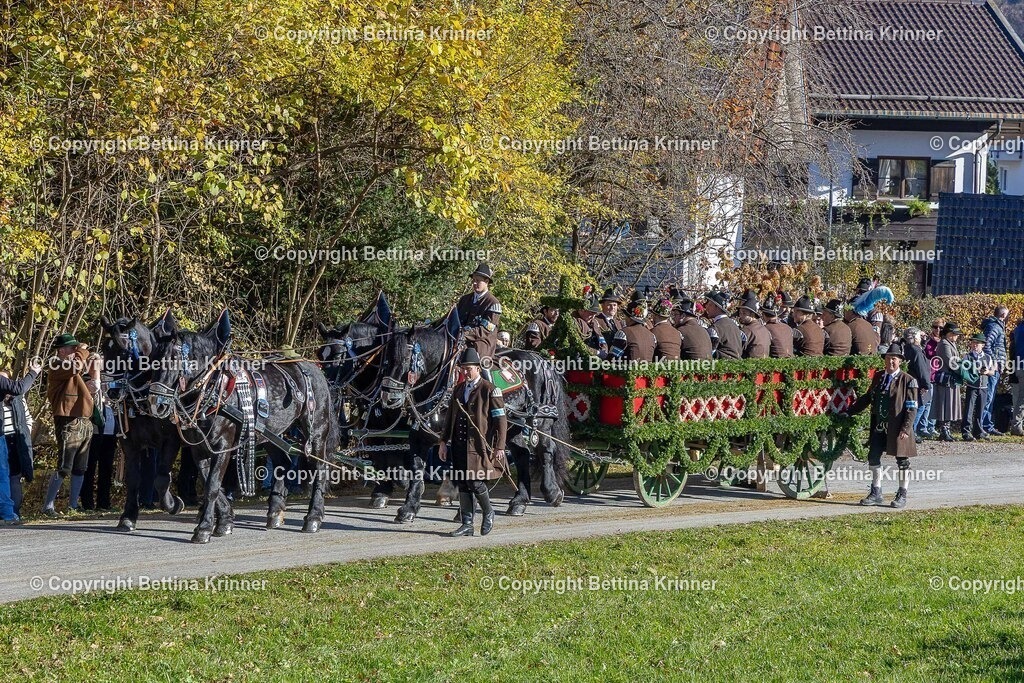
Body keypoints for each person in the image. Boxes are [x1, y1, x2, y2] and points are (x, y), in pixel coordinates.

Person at [438, 349, 506, 537]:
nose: (466, 372)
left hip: (478, 446)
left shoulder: (490, 389)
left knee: (476, 482)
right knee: (462, 483)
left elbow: (501, 420)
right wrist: (443, 441)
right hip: (459, 446)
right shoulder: (458, 389)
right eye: (463, 369)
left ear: (477, 368)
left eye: (469, 369)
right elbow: (450, 417)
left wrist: (499, 446)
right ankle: (467, 523)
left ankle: (488, 511)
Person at [844, 341, 918, 509]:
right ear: (884, 360)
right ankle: (876, 492)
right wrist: (850, 411)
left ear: (900, 361)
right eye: (888, 359)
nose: (891, 362)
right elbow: (868, 397)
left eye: (894, 359)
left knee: (902, 461)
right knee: (873, 457)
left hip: (899, 427)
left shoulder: (908, 381)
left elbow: (912, 407)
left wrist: (906, 429)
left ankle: (902, 493)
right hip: (879, 425)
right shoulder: (879, 377)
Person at [44, 335, 101, 515]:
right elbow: (75, 366)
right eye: (72, 349)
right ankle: (48, 506)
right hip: (67, 420)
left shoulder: (73, 370)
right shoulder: (56, 365)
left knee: (80, 467)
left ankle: (73, 506)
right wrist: (83, 352)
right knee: (64, 466)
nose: (76, 351)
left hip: (83, 420)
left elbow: (86, 385)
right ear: (61, 351)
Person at [0, 358, 42, 524]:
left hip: (11, 438)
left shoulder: (16, 402)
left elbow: (26, 419)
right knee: (3, 476)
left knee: (11, 476)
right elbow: (19, 388)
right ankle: (8, 514)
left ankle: (11, 512)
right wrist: (33, 373)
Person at [455, 262, 502, 361]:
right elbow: (454, 318)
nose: (474, 283)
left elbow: (485, 330)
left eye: (478, 281)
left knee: (476, 361)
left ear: (486, 281)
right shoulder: (464, 299)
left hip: (481, 343)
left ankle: (486, 375)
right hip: (459, 339)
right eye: (473, 280)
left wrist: (465, 333)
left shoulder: (493, 304)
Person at [82, 399, 117, 511]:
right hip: (95, 433)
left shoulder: (114, 392)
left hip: (111, 434)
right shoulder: (94, 385)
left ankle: (103, 503)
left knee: (106, 469)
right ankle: (87, 503)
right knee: (89, 468)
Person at [931, 322, 964, 442]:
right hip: (946, 378)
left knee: (950, 404)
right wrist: (964, 371)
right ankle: (943, 430)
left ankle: (947, 429)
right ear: (949, 334)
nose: (957, 336)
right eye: (955, 334)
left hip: (952, 378)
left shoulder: (951, 343)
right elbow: (951, 362)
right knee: (945, 404)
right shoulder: (944, 344)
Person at [962, 333, 995, 442]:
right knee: (969, 410)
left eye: (977, 343)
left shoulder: (988, 357)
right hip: (972, 386)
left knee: (980, 410)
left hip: (984, 387)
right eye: (973, 342)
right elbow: (964, 370)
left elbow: (992, 371)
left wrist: (987, 372)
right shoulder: (967, 356)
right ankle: (966, 431)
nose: (975, 345)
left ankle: (978, 430)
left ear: (983, 345)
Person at [981, 306, 1008, 435]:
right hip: (993, 368)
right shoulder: (995, 327)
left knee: (990, 397)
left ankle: (987, 424)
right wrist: (994, 362)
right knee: (988, 397)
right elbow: (986, 345)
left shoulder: (996, 326)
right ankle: (983, 425)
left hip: (996, 368)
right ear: (1003, 315)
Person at [902, 328, 933, 443]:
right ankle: (911, 432)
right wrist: (926, 384)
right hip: (918, 383)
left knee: (913, 407)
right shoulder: (916, 351)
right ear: (915, 337)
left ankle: (910, 431)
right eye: (919, 336)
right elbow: (922, 369)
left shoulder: (906, 348)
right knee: (919, 407)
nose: (921, 338)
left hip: (910, 382)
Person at [921, 318, 945, 437]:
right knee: (927, 402)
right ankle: (923, 426)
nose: (938, 330)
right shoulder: (927, 341)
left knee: (935, 402)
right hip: (930, 374)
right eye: (936, 327)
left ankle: (932, 426)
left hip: (939, 375)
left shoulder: (944, 341)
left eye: (941, 328)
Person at [703, 291, 742, 359]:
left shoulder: (715, 328)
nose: (707, 308)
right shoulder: (734, 325)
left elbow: (708, 353)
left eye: (710, 305)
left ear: (717, 307)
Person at [622, 296, 656, 362]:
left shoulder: (624, 333)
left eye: (626, 316)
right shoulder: (652, 335)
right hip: (647, 370)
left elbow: (612, 358)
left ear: (630, 318)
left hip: (628, 371)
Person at [737, 294, 770, 359]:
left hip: (749, 366)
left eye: (744, 313)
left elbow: (737, 351)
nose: (740, 316)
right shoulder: (764, 329)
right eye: (740, 313)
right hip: (765, 364)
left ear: (752, 314)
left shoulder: (746, 330)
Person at [1011, 317, 1024, 436]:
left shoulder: (1018, 329)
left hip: (1019, 365)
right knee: (1022, 398)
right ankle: (1016, 425)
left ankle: (1016, 424)